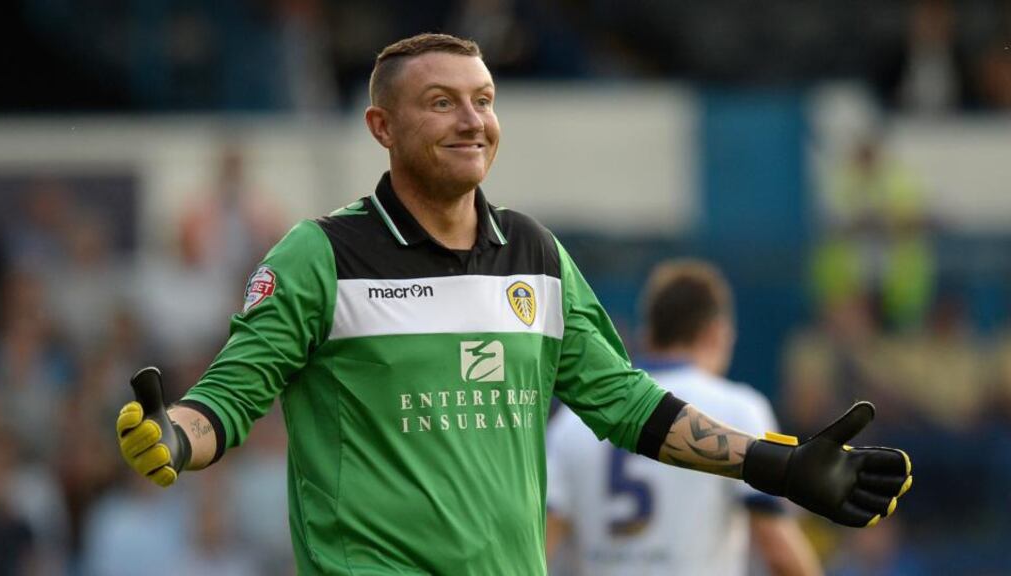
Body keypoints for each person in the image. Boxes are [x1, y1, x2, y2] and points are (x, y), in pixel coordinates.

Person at [115, 33, 912, 575]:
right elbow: (228, 399)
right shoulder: (321, 255)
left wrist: (777, 463)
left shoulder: (532, 252)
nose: (473, 121)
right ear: (381, 126)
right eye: (442, 102)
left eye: (485, 99)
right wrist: (175, 440)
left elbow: (625, 403)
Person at [546, 260, 823, 576]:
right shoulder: (738, 409)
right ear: (717, 333)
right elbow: (778, 550)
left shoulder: (574, 420)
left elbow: (542, 542)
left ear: (648, 333)